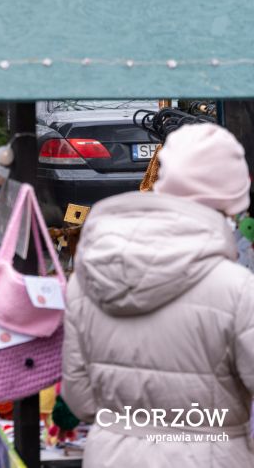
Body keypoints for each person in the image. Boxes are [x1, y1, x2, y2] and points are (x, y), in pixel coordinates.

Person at [63, 123, 254, 467]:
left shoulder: (87, 277)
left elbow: (80, 398)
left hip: (112, 455)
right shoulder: (238, 288)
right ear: (232, 201)